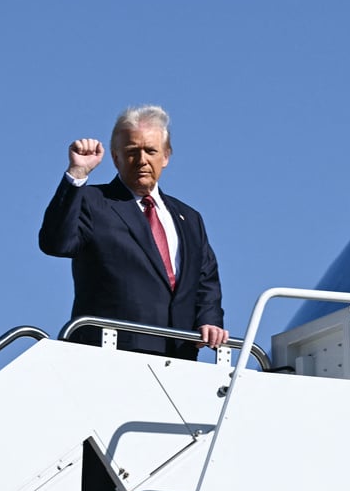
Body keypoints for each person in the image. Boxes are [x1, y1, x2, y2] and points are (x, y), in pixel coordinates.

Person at [39, 105, 229, 359]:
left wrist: (209, 320)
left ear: (166, 156)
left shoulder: (189, 218)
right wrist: (77, 174)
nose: (142, 160)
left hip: (179, 357)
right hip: (109, 354)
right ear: (116, 158)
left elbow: (205, 279)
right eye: (131, 152)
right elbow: (55, 243)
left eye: (151, 151)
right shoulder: (92, 201)